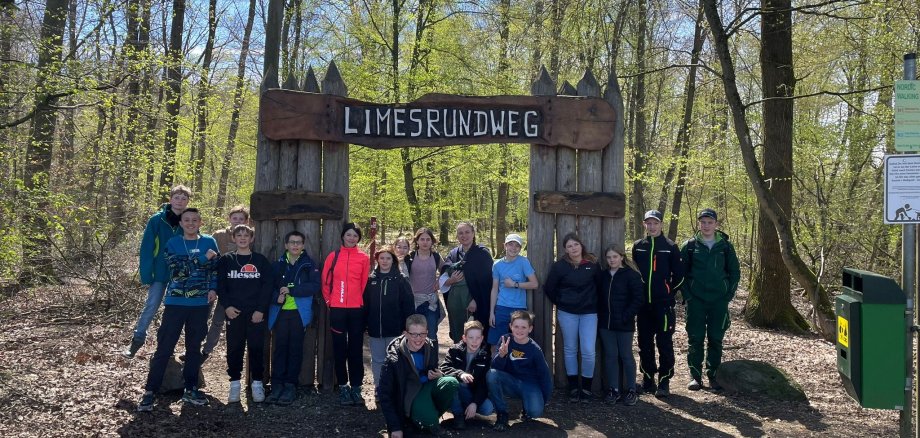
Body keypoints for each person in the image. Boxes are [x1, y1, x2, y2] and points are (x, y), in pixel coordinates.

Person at [137, 208, 219, 411]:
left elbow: (215, 268)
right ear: (181, 223)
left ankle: (191, 389)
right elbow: (178, 272)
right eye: (187, 220)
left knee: (193, 348)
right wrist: (202, 260)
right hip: (175, 303)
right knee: (164, 347)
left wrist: (213, 288)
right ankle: (150, 391)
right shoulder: (173, 243)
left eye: (194, 220)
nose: (191, 223)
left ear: (200, 222)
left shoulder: (209, 242)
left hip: (200, 304)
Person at [123, 185, 191, 358]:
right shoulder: (156, 220)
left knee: (175, 309)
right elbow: (146, 247)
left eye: (184, 198)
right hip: (159, 271)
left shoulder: (190, 220)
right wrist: (147, 273)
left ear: (188, 201)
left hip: (180, 273)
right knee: (152, 305)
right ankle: (137, 340)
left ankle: (167, 346)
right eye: (177, 197)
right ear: (170, 199)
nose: (180, 201)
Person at [680, 208, 740, 391]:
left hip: (718, 301)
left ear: (716, 224)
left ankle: (713, 375)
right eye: (703, 222)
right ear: (699, 224)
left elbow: (734, 272)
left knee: (716, 338)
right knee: (695, 338)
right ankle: (695, 377)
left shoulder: (726, 246)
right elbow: (681, 275)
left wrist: (727, 295)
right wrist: (688, 296)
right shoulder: (689, 246)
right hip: (696, 300)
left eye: (709, 222)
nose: (706, 226)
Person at [215, 224, 272, 404]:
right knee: (234, 349)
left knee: (256, 348)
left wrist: (261, 310)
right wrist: (227, 307)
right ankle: (234, 385)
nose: (242, 238)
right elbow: (220, 286)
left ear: (251, 238)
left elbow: (267, 287)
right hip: (234, 313)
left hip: (255, 313)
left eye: (246, 235)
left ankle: (257, 384)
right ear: (233, 238)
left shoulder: (260, 260)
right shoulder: (226, 260)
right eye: (238, 235)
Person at [379, 314, 460, 437]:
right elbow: (385, 394)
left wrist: (439, 374)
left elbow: (432, 369)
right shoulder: (393, 358)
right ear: (405, 334)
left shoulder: (430, 346)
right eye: (414, 334)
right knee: (430, 420)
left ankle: (427, 416)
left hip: (425, 387)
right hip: (408, 396)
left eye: (422, 334)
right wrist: (395, 427)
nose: (418, 339)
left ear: (427, 333)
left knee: (451, 382)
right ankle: (423, 419)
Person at [632, 209, 684, 397]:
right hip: (644, 306)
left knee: (664, 342)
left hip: (663, 305)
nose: (652, 226)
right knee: (644, 343)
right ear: (644, 225)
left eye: (655, 223)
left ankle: (664, 381)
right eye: (649, 223)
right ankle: (647, 379)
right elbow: (635, 273)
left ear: (661, 224)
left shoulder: (670, 246)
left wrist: (669, 294)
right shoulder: (638, 246)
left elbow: (679, 276)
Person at [267, 230, 321, 405]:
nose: (295, 245)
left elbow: (314, 286)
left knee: (295, 348)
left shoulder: (308, 264)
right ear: (286, 245)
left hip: (299, 313)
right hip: (281, 313)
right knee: (280, 347)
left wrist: (292, 291)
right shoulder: (278, 265)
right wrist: (277, 297)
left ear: (303, 245)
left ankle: (290, 385)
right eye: (292, 242)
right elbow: (268, 287)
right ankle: (277, 385)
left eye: (298, 242)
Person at [544, 232, 599, 402]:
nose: (573, 248)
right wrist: (561, 302)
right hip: (567, 313)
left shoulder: (592, 264)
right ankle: (574, 387)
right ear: (565, 250)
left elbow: (601, 287)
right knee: (570, 349)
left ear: (581, 245)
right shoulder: (560, 266)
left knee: (588, 350)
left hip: (589, 313)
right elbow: (549, 288)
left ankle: (587, 389)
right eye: (569, 246)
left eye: (575, 244)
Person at [322, 222, 371, 406]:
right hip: (337, 310)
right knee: (340, 350)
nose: (351, 238)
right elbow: (325, 283)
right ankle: (343, 387)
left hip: (357, 310)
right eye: (349, 235)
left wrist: (362, 306)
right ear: (343, 236)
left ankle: (356, 388)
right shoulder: (333, 257)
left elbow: (365, 285)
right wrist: (329, 302)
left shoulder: (363, 258)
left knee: (356, 351)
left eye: (355, 236)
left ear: (359, 238)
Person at [487, 310, 553, 431]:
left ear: (530, 329)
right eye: (516, 326)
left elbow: (545, 376)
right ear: (510, 326)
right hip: (510, 382)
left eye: (524, 327)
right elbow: (495, 369)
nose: (519, 330)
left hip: (529, 384)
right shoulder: (504, 341)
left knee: (535, 412)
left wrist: (544, 399)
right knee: (491, 375)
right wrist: (501, 356)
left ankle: (527, 405)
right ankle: (502, 414)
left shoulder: (535, 349)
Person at [364, 245, 415, 398]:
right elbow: (365, 304)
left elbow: (408, 305)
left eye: (388, 258)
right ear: (377, 260)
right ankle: (380, 388)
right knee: (378, 360)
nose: (385, 261)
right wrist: (365, 324)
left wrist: (407, 327)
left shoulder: (400, 279)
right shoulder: (371, 280)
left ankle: (394, 388)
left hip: (395, 329)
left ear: (393, 260)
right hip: (375, 329)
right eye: (382, 258)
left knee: (395, 359)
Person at [201, 205, 250, 362]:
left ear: (246, 221)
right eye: (234, 218)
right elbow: (209, 254)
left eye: (241, 219)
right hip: (214, 281)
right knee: (202, 317)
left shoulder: (249, 236)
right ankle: (195, 348)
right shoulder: (219, 235)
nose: (237, 221)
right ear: (229, 219)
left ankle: (206, 351)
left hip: (235, 286)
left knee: (219, 320)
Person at [596, 244, 643, 405]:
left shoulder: (631, 275)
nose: (612, 260)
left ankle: (631, 390)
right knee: (610, 356)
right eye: (609, 257)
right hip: (606, 323)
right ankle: (613, 389)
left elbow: (638, 299)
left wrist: (626, 316)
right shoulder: (603, 275)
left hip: (624, 323)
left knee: (626, 355)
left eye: (615, 257)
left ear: (621, 257)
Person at [441, 222, 493, 343]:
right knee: (459, 334)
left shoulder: (482, 253)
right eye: (460, 233)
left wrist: (476, 299)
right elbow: (445, 270)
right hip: (457, 302)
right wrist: (451, 280)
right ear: (457, 236)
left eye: (467, 232)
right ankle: (459, 358)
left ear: (473, 234)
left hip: (476, 303)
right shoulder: (454, 253)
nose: (464, 235)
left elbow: (487, 281)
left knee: (476, 334)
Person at [440, 320, 494, 430]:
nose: (475, 341)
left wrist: (475, 403)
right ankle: (458, 415)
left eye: (478, 338)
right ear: (464, 338)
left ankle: (467, 406)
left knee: (488, 409)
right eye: (471, 337)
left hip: (471, 392)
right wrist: (460, 374)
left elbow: (483, 383)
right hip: (456, 386)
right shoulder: (455, 350)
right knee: (452, 382)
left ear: (482, 338)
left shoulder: (485, 356)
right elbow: (444, 368)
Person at [488, 233, 538, 349]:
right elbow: (494, 289)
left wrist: (515, 284)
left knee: (518, 341)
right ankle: (496, 366)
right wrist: (492, 312)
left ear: (520, 248)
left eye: (517, 246)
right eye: (511, 244)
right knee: (496, 342)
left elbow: (534, 284)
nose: (513, 248)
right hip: (501, 307)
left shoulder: (523, 262)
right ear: (505, 245)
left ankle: (515, 366)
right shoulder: (497, 265)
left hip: (519, 308)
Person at [404, 228, 443, 343]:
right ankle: (413, 360)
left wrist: (439, 281)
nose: (425, 242)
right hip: (413, 302)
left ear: (432, 241)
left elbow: (445, 270)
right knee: (413, 335)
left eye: (428, 239)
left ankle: (431, 361)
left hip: (430, 302)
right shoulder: (410, 257)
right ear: (417, 241)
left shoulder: (436, 257)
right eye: (422, 239)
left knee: (431, 335)